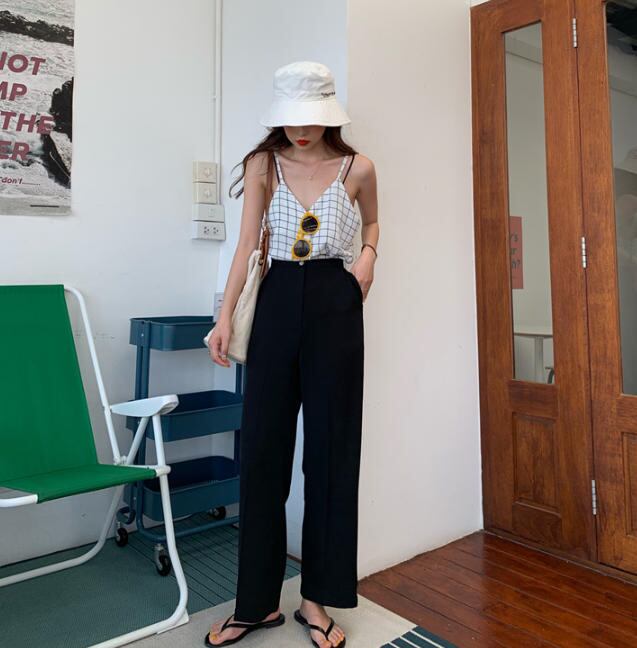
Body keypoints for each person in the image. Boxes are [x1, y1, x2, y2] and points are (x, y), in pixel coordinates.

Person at [205, 60, 379, 648]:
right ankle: (255, 604)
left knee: (332, 453)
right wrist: (224, 317)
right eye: (291, 120)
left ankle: (316, 600)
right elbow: (245, 246)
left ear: (329, 114)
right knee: (262, 452)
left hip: (336, 301)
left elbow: (374, 222)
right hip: (276, 298)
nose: (300, 131)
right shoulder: (264, 164)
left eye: (311, 119)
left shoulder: (359, 168)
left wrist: (368, 257)